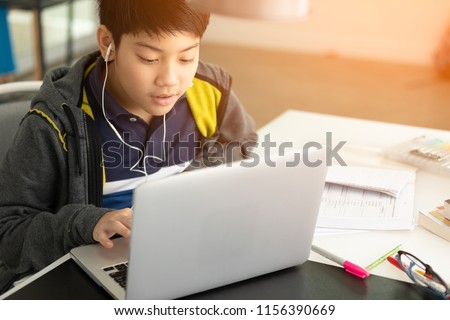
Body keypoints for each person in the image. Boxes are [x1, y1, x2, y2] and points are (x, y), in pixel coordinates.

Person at [0, 0, 257, 294]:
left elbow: (242, 147)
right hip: (77, 271)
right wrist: (88, 223)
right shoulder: (54, 123)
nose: (170, 80)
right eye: (149, 59)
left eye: (187, 58)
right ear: (108, 42)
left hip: (183, 253)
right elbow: (8, 231)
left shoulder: (210, 91)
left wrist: (192, 185)